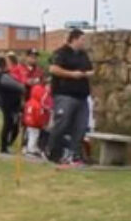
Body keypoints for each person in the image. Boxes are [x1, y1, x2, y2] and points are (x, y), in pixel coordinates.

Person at [45, 29, 93, 166]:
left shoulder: (83, 55)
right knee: (62, 124)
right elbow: (53, 69)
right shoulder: (61, 53)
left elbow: (89, 69)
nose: (84, 42)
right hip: (65, 94)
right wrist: (72, 74)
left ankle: (73, 154)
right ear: (74, 39)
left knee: (81, 126)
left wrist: (87, 73)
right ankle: (52, 151)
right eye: (82, 39)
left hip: (82, 96)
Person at [0, 57, 25, 154]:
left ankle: (7, 144)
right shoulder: (3, 77)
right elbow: (20, 86)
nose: (8, 66)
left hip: (12, 103)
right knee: (8, 124)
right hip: (8, 104)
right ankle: (4, 147)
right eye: (6, 64)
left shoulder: (5, 75)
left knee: (12, 125)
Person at [23, 81, 52, 156]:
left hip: (29, 123)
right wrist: (40, 123)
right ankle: (30, 150)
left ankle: (27, 147)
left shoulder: (30, 102)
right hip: (34, 124)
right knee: (34, 136)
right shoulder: (38, 105)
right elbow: (38, 116)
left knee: (29, 134)